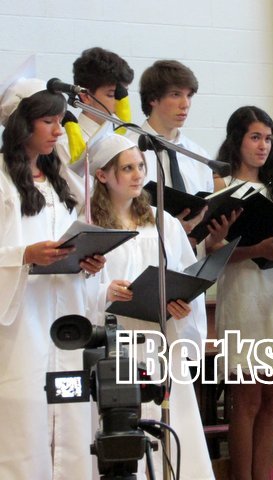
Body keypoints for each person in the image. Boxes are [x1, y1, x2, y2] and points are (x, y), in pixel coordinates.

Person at [86, 131, 215, 479]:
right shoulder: (90, 224)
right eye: (127, 168)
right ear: (102, 175)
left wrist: (183, 305)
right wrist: (105, 291)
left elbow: (184, 272)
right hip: (117, 341)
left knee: (170, 424)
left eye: (140, 167)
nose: (138, 175)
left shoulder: (162, 221)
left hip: (160, 338)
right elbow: (73, 287)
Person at [0, 77, 105, 479]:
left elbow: (70, 239)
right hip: (21, 322)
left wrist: (87, 262)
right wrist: (25, 255)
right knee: (25, 417)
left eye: (60, 121)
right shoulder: (3, 179)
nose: (59, 131)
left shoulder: (60, 181)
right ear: (22, 124)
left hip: (64, 320)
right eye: (48, 121)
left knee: (68, 406)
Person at [213, 105, 273, 480]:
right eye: (255, 137)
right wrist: (257, 249)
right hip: (243, 296)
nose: (263, 146)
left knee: (271, 399)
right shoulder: (222, 189)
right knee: (247, 398)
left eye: (268, 139)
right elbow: (212, 252)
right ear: (237, 140)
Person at [131, 59, 229, 254]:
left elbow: (202, 220)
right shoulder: (128, 150)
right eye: (176, 95)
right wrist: (171, 231)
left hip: (192, 264)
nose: (185, 104)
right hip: (146, 258)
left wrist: (212, 235)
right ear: (153, 98)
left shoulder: (198, 156)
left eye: (189, 95)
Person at [55, 46, 134, 166]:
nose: (121, 103)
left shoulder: (125, 142)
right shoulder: (66, 144)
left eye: (123, 94)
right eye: (112, 94)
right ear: (85, 96)